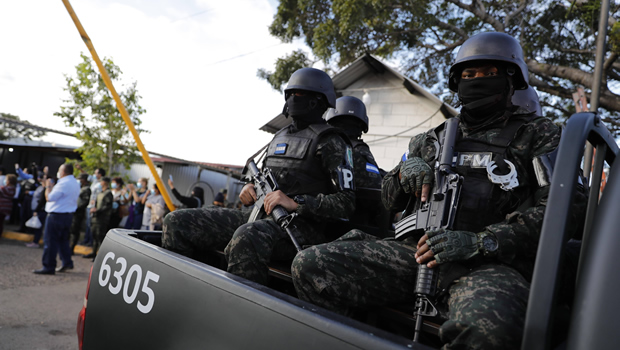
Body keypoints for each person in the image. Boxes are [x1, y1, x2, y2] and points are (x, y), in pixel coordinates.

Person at [291, 32, 585, 349]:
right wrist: (404, 173)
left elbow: (566, 209)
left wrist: (482, 241)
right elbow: (387, 200)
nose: (476, 81)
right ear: (456, 82)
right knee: (311, 266)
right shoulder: (431, 138)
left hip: (488, 265)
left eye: (488, 74)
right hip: (416, 252)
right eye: (468, 75)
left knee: (489, 329)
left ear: (511, 79)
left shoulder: (539, 134)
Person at [162, 67, 356, 285]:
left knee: (247, 236)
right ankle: (180, 290)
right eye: (289, 94)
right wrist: (250, 189)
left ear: (318, 100)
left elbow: (346, 204)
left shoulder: (331, 141)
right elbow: (261, 177)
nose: (292, 99)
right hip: (258, 217)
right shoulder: (279, 137)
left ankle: (236, 311)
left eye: (299, 94)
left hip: (299, 229)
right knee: (177, 221)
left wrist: (296, 203)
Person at [325, 96, 383, 227]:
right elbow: (374, 192)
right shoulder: (359, 150)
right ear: (361, 126)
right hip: (351, 227)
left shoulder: (324, 145)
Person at [33, 163, 80, 275]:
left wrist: (48, 187)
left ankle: (48, 266)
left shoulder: (63, 183)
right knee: (63, 241)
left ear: (63, 172)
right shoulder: (74, 182)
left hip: (56, 215)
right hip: (67, 215)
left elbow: (50, 198)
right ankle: (67, 262)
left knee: (50, 241)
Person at [85, 176, 113, 260]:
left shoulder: (108, 193)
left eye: (102, 182)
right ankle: (93, 252)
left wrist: (96, 210)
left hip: (102, 218)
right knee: (94, 236)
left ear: (105, 183)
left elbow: (107, 206)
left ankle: (100, 256)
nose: (100, 183)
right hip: (95, 217)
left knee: (100, 237)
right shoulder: (100, 193)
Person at [82, 168, 105, 246]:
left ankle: (90, 241)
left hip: (93, 206)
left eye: (96, 173)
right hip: (89, 205)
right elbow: (87, 175)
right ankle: (86, 240)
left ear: (100, 175)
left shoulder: (100, 184)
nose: (94, 175)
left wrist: (94, 204)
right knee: (88, 224)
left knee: (91, 225)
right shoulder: (95, 181)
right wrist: (80, 169)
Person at [69, 173, 91, 253]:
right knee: (71, 230)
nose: (79, 180)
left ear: (84, 180)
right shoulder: (79, 187)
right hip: (73, 211)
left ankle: (71, 248)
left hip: (78, 213)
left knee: (75, 230)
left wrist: (77, 208)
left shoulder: (86, 189)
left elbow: (85, 201)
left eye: (80, 179)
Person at [25, 174, 48, 248]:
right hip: (36, 209)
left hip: (40, 210)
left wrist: (36, 210)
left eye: (44, 179)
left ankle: (36, 242)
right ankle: (34, 241)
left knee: (38, 227)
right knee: (36, 227)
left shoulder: (45, 189)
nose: (42, 180)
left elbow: (41, 201)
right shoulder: (40, 187)